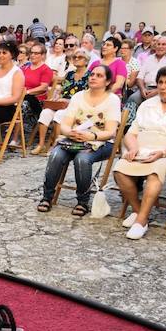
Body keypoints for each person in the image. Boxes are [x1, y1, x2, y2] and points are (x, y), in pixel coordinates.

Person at [37, 64, 121, 217]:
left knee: (82, 159)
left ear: (108, 81)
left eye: (99, 75)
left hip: (100, 141)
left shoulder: (112, 100)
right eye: (92, 74)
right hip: (74, 138)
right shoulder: (78, 96)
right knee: (56, 155)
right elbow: (65, 125)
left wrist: (92, 136)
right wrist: (71, 132)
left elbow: (110, 132)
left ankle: (82, 201)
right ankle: (47, 197)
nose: (93, 77)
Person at [114, 65, 166, 239]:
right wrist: (133, 148)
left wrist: (162, 153)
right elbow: (131, 133)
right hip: (143, 150)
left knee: (156, 171)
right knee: (120, 168)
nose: (162, 87)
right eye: (160, 82)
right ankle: (138, 209)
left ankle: (141, 221)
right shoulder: (147, 105)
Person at [31, 47, 91, 155]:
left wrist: (71, 102)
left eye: (80, 57)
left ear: (86, 60)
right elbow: (62, 90)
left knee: (59, 115)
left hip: (78, 106)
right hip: (62, 103)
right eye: (74, 57)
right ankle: (41, 144)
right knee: (45, 113)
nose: (76, 59)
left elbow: (88, 95)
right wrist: (56, 97)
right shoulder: (69, 74)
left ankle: (56, 145)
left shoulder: (90, 76)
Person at [129, 35, 166, 110]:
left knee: (152, 104)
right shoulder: (149, 58)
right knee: (133, 99)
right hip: (145, 89)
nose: (160, 46)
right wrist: (142, 89)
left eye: (163, 44)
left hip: (164, 89)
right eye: (158, 44)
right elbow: (140, 77)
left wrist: (157, 91)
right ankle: (129, 121)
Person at [21, 42, 54, 120]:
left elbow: (43, 87)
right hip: (22, 96)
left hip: (37, 100)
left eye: (36, 53)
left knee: (20, 105)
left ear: (43, 55)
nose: (32, 55)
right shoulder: (25, 68)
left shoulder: (46, 69)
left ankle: (17, 129)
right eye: (31, 52)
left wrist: (27, 92)